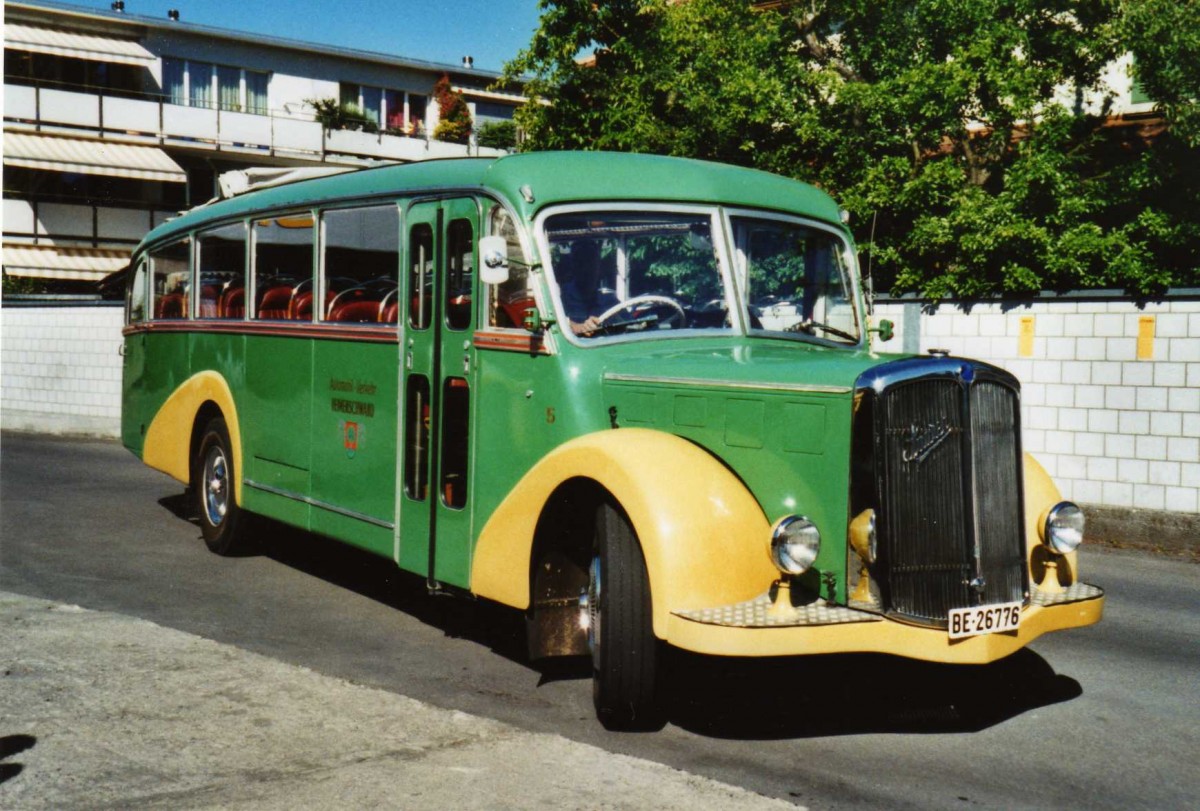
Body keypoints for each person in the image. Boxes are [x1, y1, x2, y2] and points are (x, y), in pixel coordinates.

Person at [557, 240, 617, 336]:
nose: (588, 269)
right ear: (573, 266)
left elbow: (629, 322)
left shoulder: (609, 300)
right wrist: (574, 326)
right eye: (582, 263)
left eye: (592, 263)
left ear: (599, 267)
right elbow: (552, 320)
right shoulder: (560, 298)